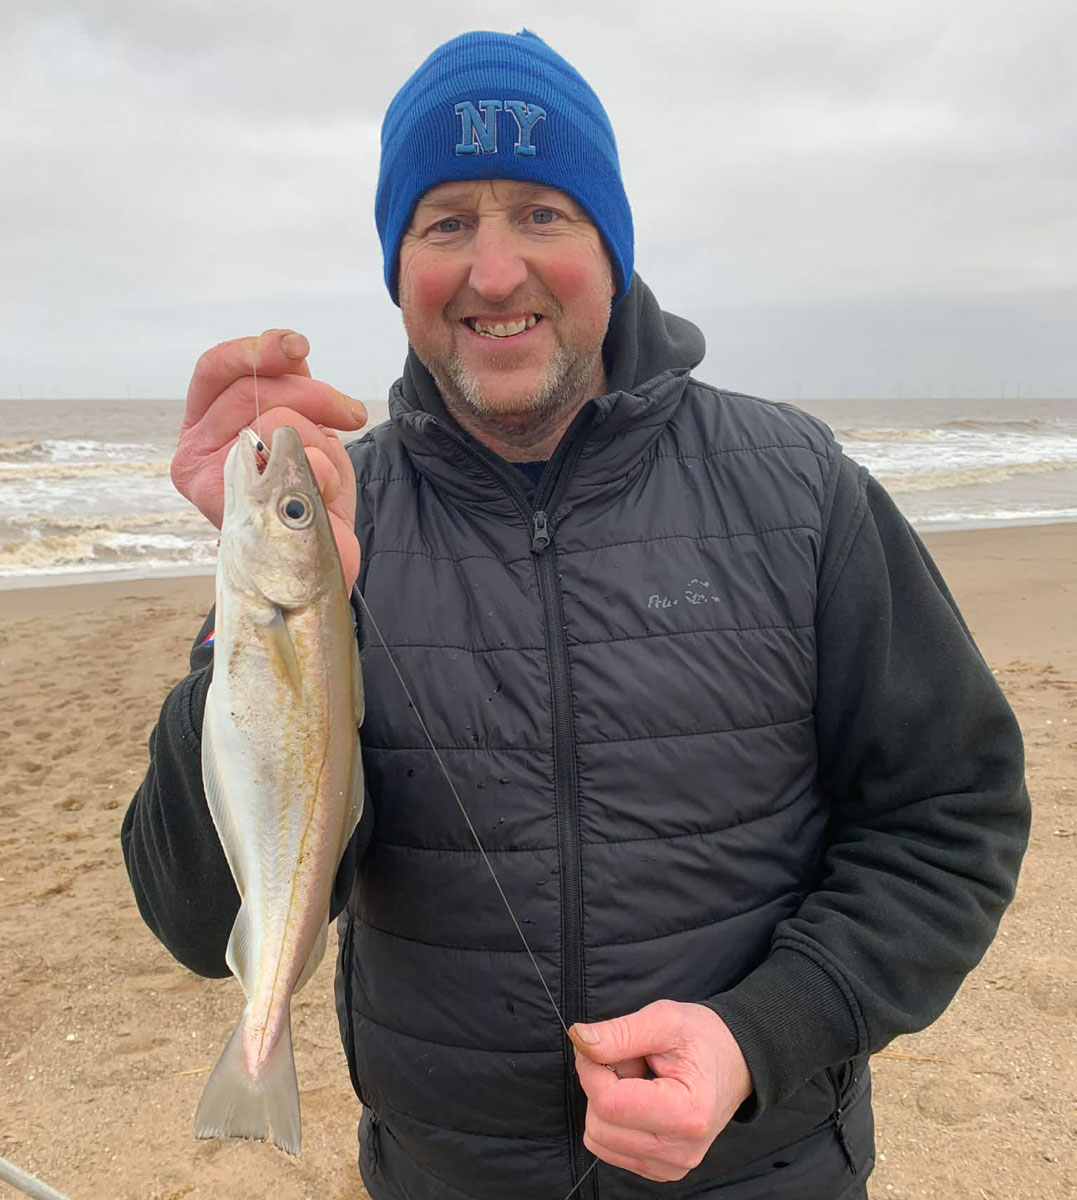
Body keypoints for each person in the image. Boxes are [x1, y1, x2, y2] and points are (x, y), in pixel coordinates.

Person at [122, 29, 1030, 1200]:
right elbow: (201, 922)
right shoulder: (339, 525)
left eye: (544, 213)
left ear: (614, 245)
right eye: (446, 222)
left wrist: (761, 1037)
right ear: (398, 269)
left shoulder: (796, 489)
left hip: (772, 1170)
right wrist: (241, 611)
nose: (495, 273)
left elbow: (951, 817)